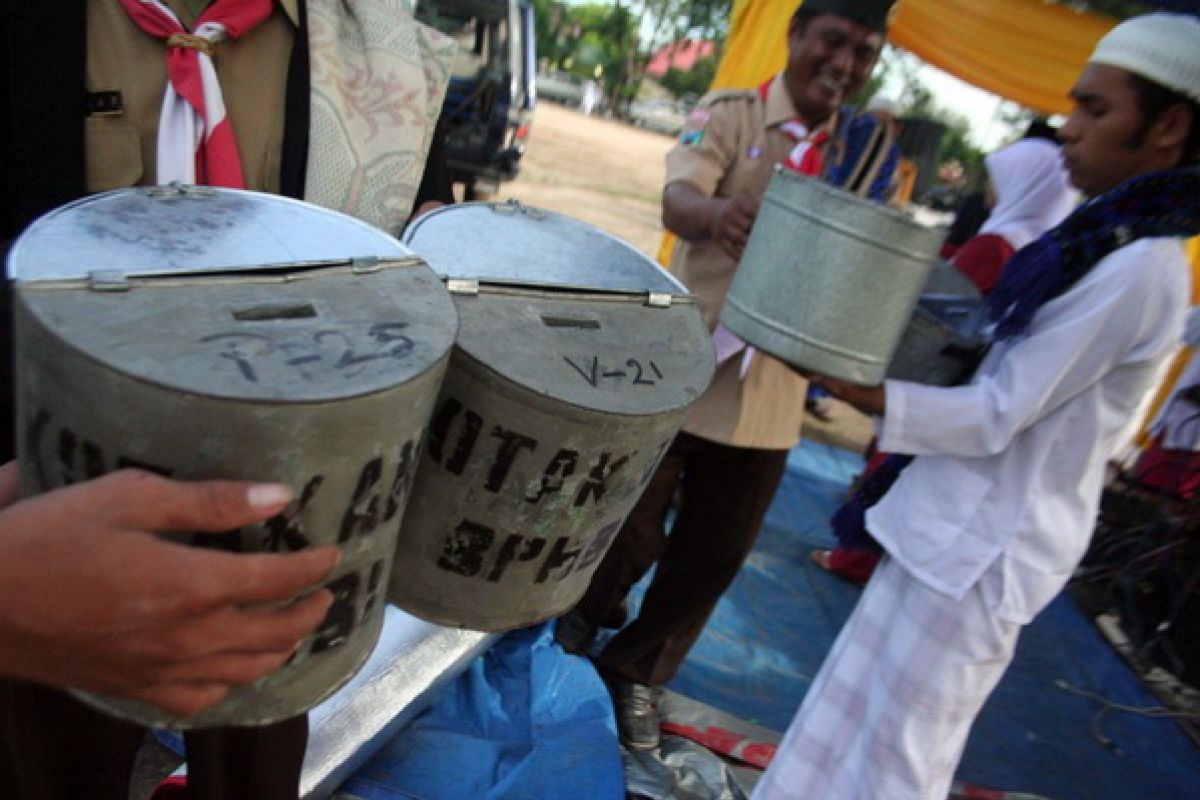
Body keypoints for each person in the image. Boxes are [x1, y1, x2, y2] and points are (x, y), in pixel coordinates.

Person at [0, 2, 455, 798]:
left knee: (262, 732)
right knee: (58, 751)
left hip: (289, 492)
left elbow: (417, 216)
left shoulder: (372, 42)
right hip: (48, 500)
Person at [753, 12, 1200, 798]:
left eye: (1095, 111)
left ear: (1168, 128)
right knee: (839, 725)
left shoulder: (1140, 270)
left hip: (981, 558)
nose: (1067, 130)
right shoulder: (1106, 241)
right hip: (948, 528)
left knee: (897, 762)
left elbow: (1001, 410)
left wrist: (867, 390)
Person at [555, 0, 901, 751]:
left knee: (713, 556)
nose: (844, 64)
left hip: (770, 396)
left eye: (864, 53)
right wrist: (715, 216)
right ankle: (579, 621)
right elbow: (677, 198)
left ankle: (638, 671)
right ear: (796, 36)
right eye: (833, 42)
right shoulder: (732, 113)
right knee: (626, 528)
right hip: (683, 366)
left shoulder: (868, 153)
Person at [812, 134, 1079, 584]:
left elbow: (940, 295)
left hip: (936, 377)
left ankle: (854, 557)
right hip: (969, 382)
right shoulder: (1047, 249)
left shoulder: (998, 242)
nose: (989, 190)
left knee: (889, 469)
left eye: (999, 179)